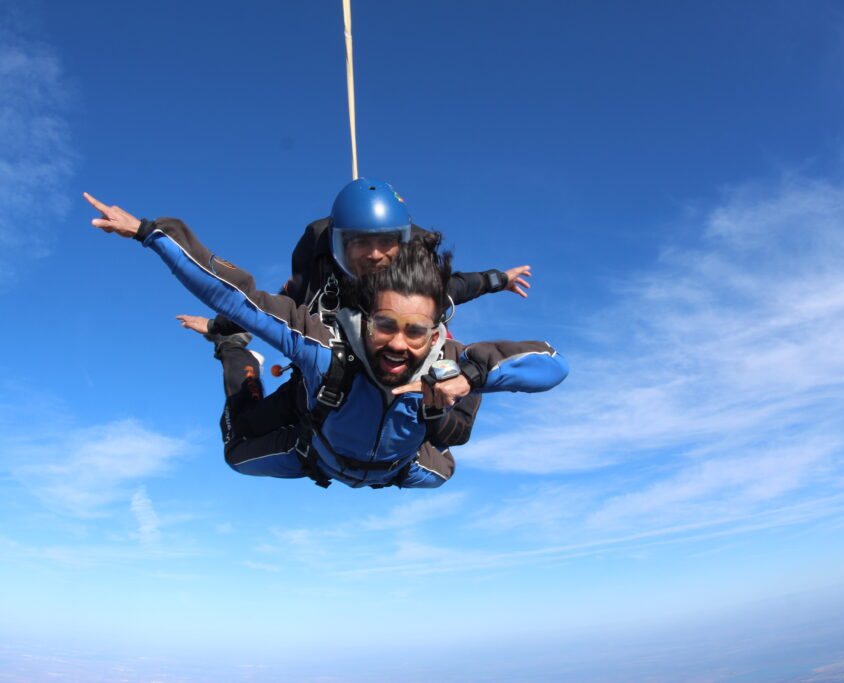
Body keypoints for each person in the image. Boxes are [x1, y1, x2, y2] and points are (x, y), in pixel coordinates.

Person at [84, 192, 569, 488]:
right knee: (237, 450)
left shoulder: (449, 358)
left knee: (448, 462)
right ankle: (236, 359)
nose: (399, 344)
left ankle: (399, 445)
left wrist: (468, 375)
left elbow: (552, 363)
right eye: (385, 326)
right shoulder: (325, 343)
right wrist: (150, 233)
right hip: (317, 452)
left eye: (416, 331)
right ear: (364, 318)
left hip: (402, 466)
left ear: (434, 328)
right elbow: (242, 301)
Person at [183, 178, 531, 455]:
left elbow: (461, 285)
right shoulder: (320, 287)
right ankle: (236, 352)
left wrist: (499, 279)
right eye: (360, 242)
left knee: (454, 431)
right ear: (339, 245)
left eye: (387, 242)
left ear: (403, 243)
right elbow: (265, 307)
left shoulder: (416, 292)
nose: (376, 255)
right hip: (327, 383)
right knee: (242, 430)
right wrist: (218, 327)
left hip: (401, 381)